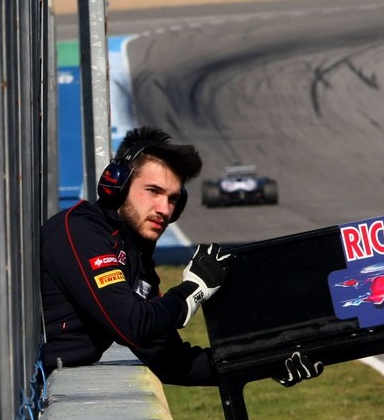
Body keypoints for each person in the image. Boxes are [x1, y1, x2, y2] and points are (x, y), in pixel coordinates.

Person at [39, 125, 322, 387]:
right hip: (17, 396)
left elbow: (172, 362)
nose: (164, 208)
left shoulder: (135, 258)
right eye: (153, 191)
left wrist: (264, 362)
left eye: (173, 198)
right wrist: (192, 292)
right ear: (117, 185)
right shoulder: (80, 231)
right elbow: (131, 326)